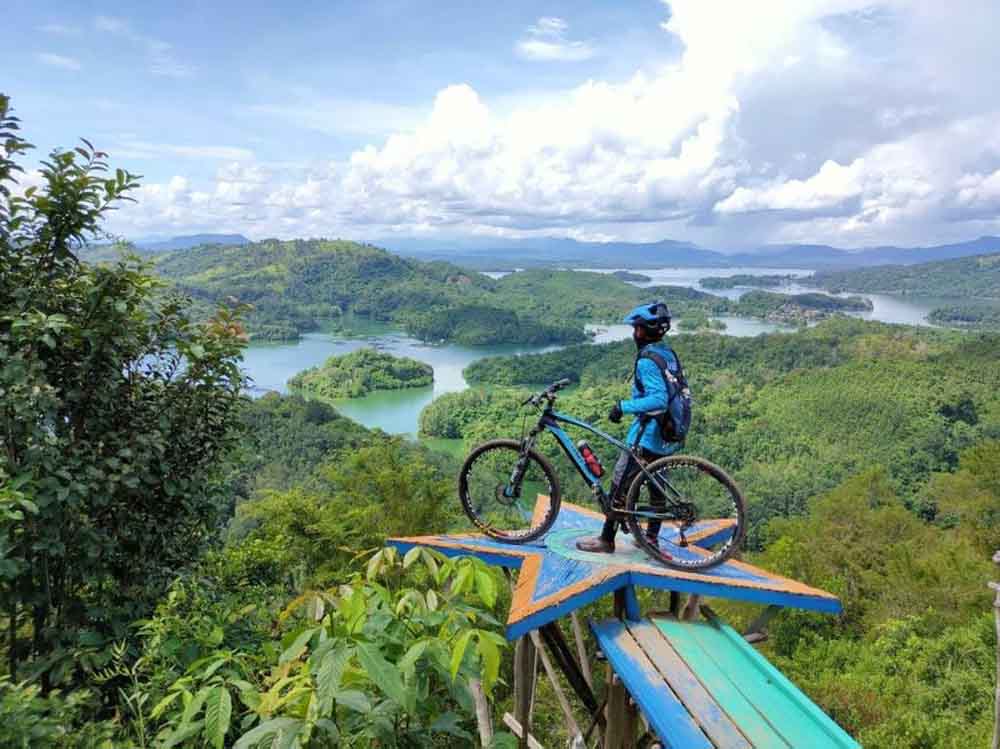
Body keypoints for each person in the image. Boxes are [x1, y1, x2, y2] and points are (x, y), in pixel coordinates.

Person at [576, 301, 683, 554]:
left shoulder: (647, 360)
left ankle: (606, 539)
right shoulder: (667, 353)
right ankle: (652, 539)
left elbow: (658, 398)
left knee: (619, 485)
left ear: (644, 331)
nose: (635, 333)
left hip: (647, 435)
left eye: (637, 328)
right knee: (657, 488)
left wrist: (622, 406)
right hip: (667, 435)